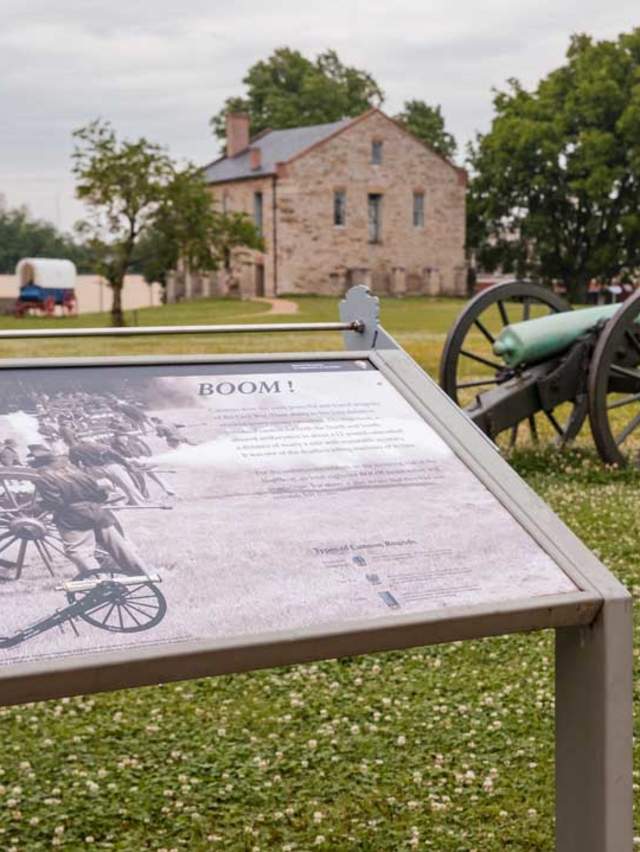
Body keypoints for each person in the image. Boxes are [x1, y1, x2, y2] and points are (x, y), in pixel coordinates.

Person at [26, 444, 149, 576]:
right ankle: (143, 573)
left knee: (78, 552)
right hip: (99, 513)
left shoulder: (44, 478)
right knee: (119, 547)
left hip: (72, 518)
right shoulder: (76, 472)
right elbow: (101, 495)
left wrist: (38, 507)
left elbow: (55, 502)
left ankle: (101, 582)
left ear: (39, 465)